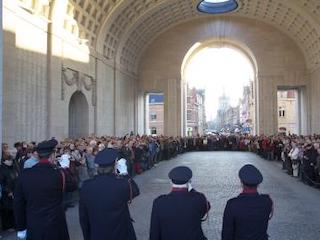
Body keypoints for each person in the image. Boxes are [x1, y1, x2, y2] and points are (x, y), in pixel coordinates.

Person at [14, 139, 76, 240]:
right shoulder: (59, 174)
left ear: (38, 155)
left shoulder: (25, 175)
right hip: (56, 224)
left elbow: (18, 203)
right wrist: (66, 167)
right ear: (52, 155)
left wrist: (21, 227)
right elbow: (73, 185)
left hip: (34, 224)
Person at [79, 148, 140, 240]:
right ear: (115, 165)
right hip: (120, 234)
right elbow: (135, 191)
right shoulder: (121, 184)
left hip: (97, 234)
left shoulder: (86, 186)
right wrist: (125, 173)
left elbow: (83, 217)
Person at [149, 166, 210, 240]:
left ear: (171, 182)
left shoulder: (159, 202)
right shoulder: (199, 199)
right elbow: (206, 208)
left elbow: (154, 231)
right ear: (189, 182)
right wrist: (191, 190)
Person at [222, 164, 273, 240]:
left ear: (241, 182)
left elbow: (227, 233)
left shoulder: (232, 204)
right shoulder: (267, 201)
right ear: (258, 184)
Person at [0, 155, 19, 231]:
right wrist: (8, 191)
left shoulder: (14, 167)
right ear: (4, 161)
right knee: (7, 210)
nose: (10, 161)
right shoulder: (2, 169)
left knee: (13, 209)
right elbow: (2, 183)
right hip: (7, 193)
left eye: (11, 160)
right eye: (8, 160)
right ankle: (7, 226)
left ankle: (14, 225)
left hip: (15, 191)